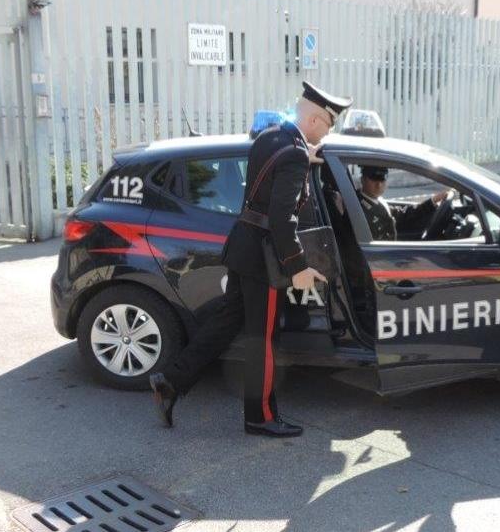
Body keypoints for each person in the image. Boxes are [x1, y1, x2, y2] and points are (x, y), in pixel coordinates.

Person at [149, 81, 352, 438]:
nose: (328, 131)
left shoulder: (272, 137)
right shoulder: (293, 154)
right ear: (318, 119)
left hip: (243, 246)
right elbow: (281, 218)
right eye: (329, 124)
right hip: (264, 258)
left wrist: (306, 155)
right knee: (264, 340)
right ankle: (260, 417)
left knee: (224, 324)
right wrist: (298, 267)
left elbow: (269, 183)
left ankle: (170, 380)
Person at [355, 166, 455, 241]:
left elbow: (403, 214)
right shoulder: (358, 207)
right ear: (362, 180)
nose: (379, 184)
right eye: (373, 178)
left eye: (382, 178)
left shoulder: (376, 200)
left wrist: (433, 200)